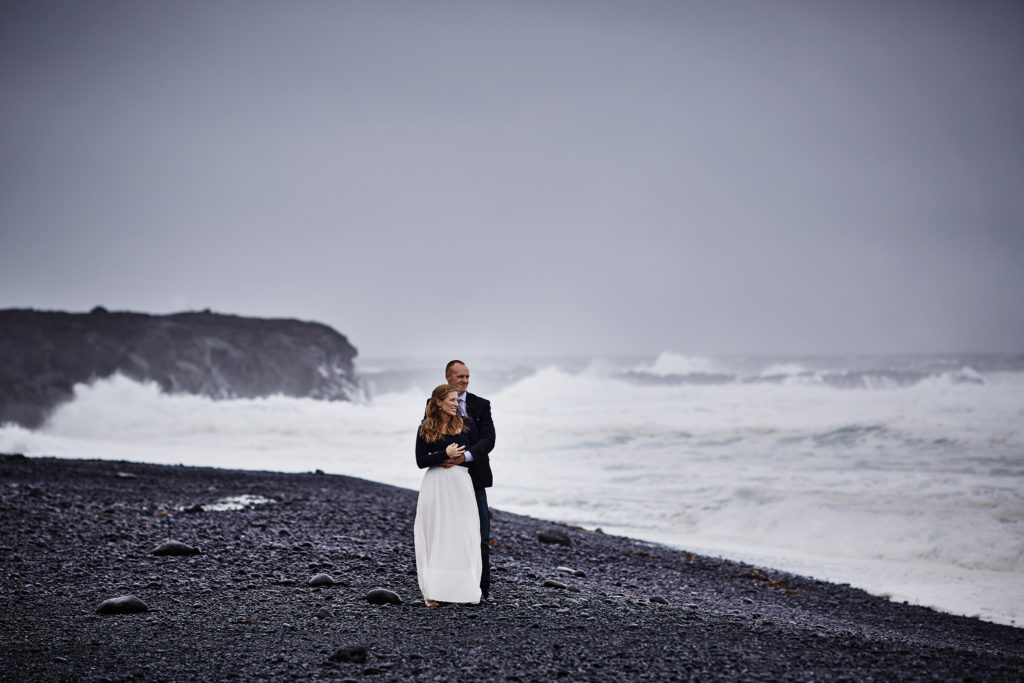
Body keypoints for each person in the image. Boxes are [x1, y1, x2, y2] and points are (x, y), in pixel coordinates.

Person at [414, 384, 482, 605]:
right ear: (438, 402)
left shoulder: (467, 424)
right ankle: (434, 591)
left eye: (456, 400)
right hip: (435, 484)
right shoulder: (425, 427)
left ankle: (463, 592)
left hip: (459, 483)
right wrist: (443, 454)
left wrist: (446, 456)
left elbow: (467, 452)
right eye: (452, 400)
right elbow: (420, 460)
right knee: (436, 534)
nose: (456, 403)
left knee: (461, 534)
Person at [443, 360, 496, 601]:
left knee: (481, 534)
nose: (464, 380)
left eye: (467, 376)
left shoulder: (481, 405)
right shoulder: (434, 404)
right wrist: (443, 456)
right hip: (448, 478)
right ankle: (451, 586)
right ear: (448, 378)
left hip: (475, 477)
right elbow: (431, 435)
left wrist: (466, 456)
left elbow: (489, 439)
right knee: (450, 533)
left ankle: (482, 590)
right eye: (459, 376)